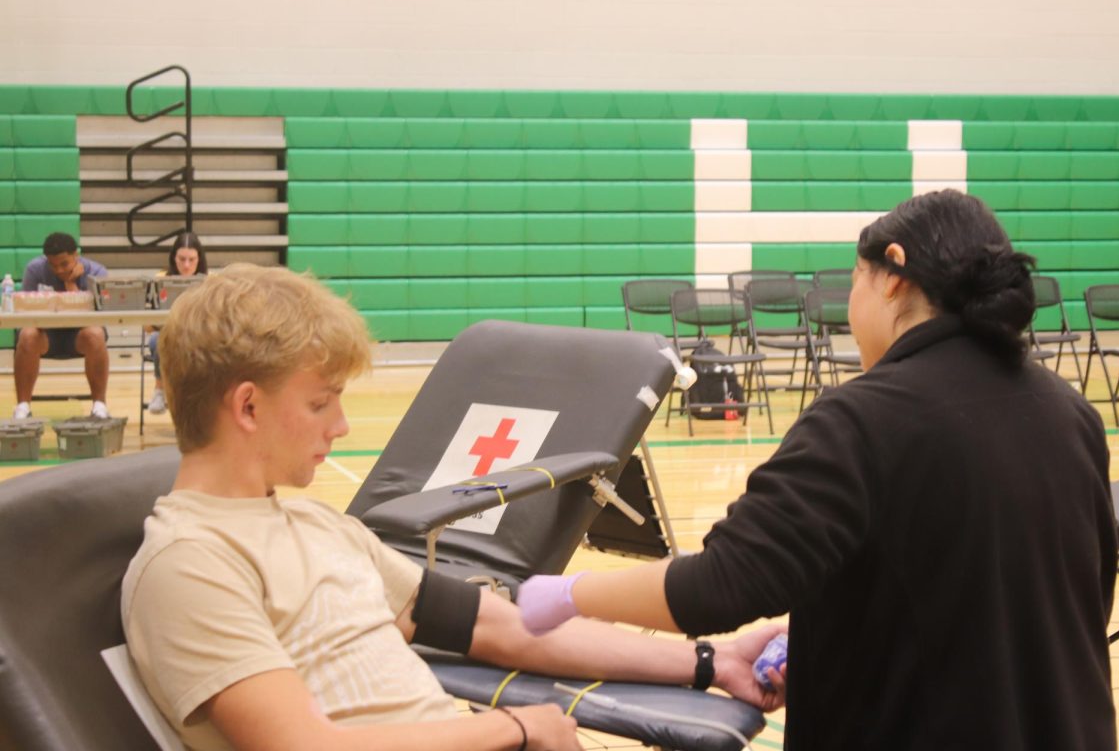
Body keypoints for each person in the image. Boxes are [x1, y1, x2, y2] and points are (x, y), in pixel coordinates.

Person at [520, 189, 1119, 750]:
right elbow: (1054, 603)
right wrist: (837, 639)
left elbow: (719, 586)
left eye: (855, 280)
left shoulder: (862, 419)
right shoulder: (1072, 413)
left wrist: (569, 593)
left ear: (890, 276)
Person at [121, 263, 785, 751]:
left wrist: (708, 659)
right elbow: (303, 747)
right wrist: (515, 726)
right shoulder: (190, 563)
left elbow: (504, 626)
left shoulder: (319, 527)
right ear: (247, 406)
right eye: (321, 402)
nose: (342, 426)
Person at [12, 232, 110, 419]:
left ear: (76, 255)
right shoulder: (34, 270)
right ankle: (23, 406)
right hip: (46, 335)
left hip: (80, 336)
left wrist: (71, 284)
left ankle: (99, 405)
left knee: (95, 334)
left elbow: (98, 316)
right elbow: (25, 314)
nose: (58, 270)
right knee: (27, 335)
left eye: (64, 264)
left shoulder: (97, 273)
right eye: (53, 265)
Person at [146, 232, 208, 415]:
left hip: (198, 337)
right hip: (168, 335)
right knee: (156, 340)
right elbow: (146, 325)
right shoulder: (159, 279)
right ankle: (159, 390)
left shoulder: (210, 281)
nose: (187, 265)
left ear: (199, 259)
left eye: (192, 259)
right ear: (174, 258)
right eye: (182, 259)